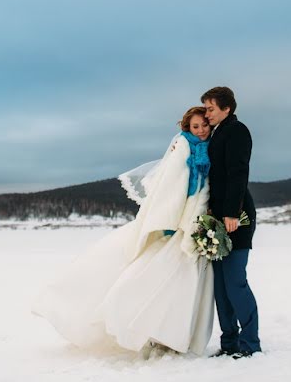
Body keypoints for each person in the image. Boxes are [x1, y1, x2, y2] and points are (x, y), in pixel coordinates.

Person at [31, 107, 214, 356]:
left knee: (180, 280)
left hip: (194, 223)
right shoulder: (182, 149)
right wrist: (170, 222)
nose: (201, 130)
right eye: (195, 126)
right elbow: (170, 190)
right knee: (151, 276)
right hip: (176, 227)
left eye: (204, 125)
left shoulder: (209, 148)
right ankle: (137, 325)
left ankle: (171, 335)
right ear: (187, 128)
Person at [201, 86, 261, 358]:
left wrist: (232, 213)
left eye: (211, 108)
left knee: (235, 281)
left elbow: (238, 173)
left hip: (237, 217)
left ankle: (250, 344)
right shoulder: (216, 134)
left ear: (227, 108)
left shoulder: (238, 131)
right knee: (220, 286)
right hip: (216, 218)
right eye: (206, 108)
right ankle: (229, 344)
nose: (207, 113)